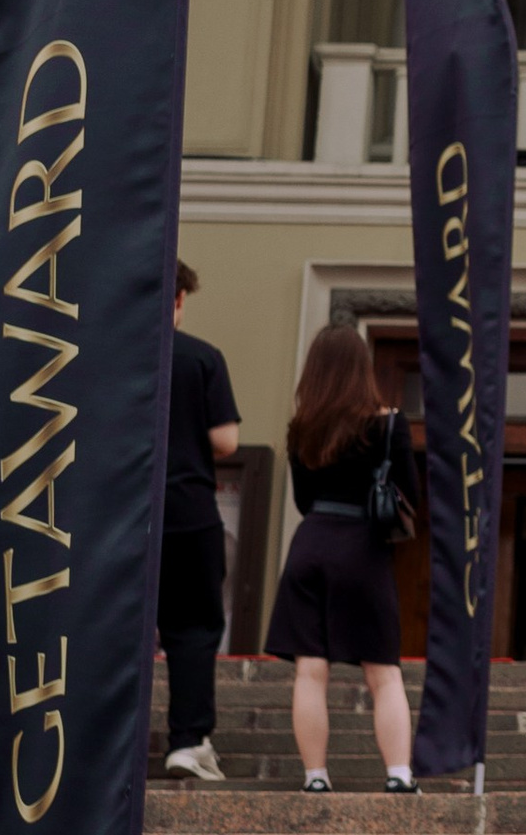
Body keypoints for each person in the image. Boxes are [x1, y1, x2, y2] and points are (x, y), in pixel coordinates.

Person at [262, 323, 422, 792]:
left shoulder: (302, 428)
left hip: (310, 545)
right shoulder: (390, 423)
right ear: (362, 369)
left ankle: (315, 777)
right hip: (363, 549)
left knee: (311, 671)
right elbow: (409, 496)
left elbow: (303, 500)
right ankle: (398, 775)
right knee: (383, 672)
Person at [158, 261, 242, 785]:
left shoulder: (111, 356)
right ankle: (188, 741)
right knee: (191, 629)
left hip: (124, 515)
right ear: (179, 300)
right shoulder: (202, 357)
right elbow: (227, 441)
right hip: (188, 513)